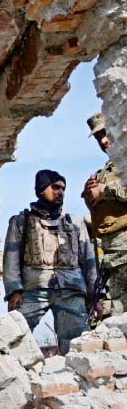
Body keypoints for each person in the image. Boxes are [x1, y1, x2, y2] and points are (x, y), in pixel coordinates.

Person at [3, 169, 96, 354]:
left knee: (77, 346)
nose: (60, 192)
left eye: (63, 188)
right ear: (40, 189)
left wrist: (95, 296)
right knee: (14, 337)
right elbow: (11, 257)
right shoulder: (21, 222)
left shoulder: (75, 223)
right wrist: (14, 290)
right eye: (55, 187)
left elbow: (89, 260)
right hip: (33, 289)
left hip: (71, 290)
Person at [83, 112, 127, 315]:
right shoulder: (106, 171)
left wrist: (104, 192)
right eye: (98, 136)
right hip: (114, 254)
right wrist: (89, 194)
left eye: (105, 133)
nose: (104, 140)